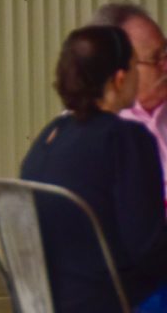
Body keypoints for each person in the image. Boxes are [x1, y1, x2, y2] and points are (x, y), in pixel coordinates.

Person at [20, 25, 167, 312]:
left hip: (47, 299)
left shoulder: (51, 135)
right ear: (120, 78)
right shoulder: (126, 138)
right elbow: (148, 248)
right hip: (112, 299)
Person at [92, 2, 167, 208]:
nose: (166, 65)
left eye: (166, 51)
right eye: (156, 58)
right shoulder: (94, 129)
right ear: (121, 71)